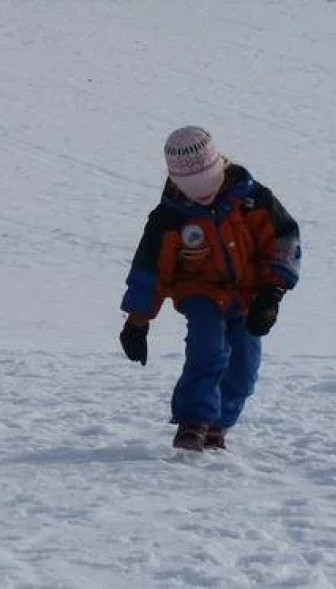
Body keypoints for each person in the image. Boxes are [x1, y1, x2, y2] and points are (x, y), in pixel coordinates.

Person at [118, 126, 301, 452]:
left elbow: (284, 240)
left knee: (244, 366)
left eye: (208, 184)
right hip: (198, 291)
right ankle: (194, 420)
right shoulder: (169, 217)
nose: (201, 195)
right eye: (190, 188)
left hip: (248, 294)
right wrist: (137, 320)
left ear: (220, 168)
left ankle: (219, 424)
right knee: (208, 350)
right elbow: (149, 270)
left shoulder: (253, 199)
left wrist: (272, 294)